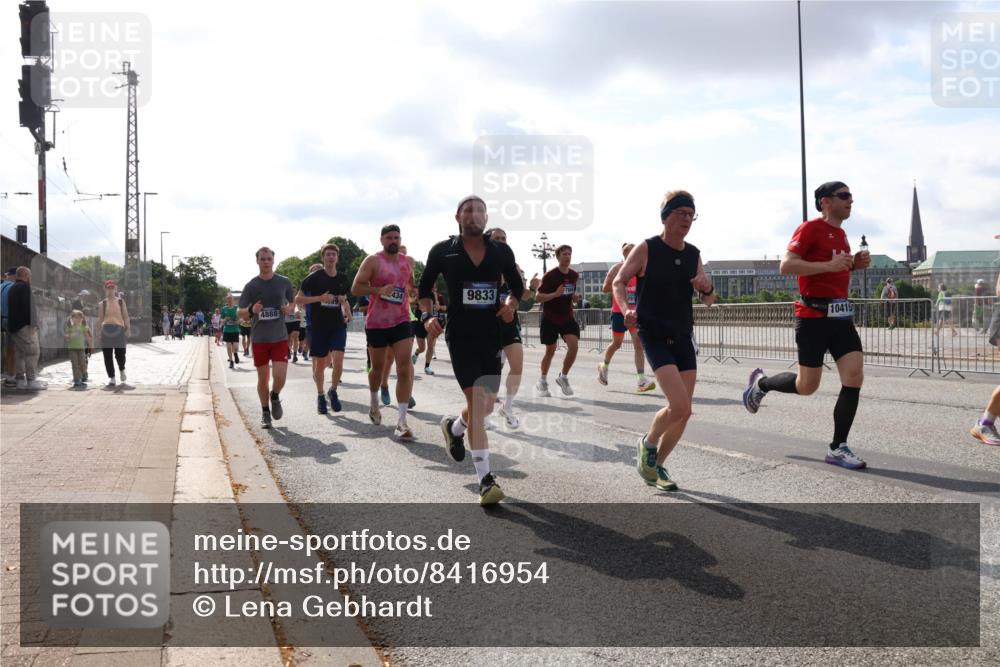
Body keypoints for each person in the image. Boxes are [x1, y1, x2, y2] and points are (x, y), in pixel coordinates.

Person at [742, 181, 871, 470]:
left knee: (854, 376)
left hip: (840, 317)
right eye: (844, 195)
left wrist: (853, 264)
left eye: (851, 196)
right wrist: (829, 266)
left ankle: (838, 447)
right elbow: (786, 265)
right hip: (812, 317)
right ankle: (761, 384)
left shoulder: (841, 234)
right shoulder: (810, 228)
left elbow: (835, 268)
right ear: (826, 201)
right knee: (806, 386)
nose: (851, 200)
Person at [420, 195, 524, 504]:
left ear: (486, 217)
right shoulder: (443, 251)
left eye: (480, 210)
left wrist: (511, 305)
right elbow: (423, 290)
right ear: (458, 217)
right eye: (468, 210)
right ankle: (485, 480)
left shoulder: (501, 251)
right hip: (461, 336)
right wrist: (427, 317)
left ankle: (454, 428)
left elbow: (517, 287)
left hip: (491, 336)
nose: (474, 214)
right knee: (478, 403)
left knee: (487, 406)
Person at [614, 190, 713, 492]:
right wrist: (626, 309)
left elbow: (708, 300)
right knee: (678, 406)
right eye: (681, 213)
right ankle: (649, 442)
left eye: (691, 215)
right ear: (666, 216)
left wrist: (707, 287)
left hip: (683, 335)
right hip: (654, 334)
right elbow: (619, 281)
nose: (687, 219)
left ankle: (656, 466)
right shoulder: (647, 248)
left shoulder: (693, 254)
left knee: (685, 412)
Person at [351, 225, 416, 438]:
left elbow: (410, 285)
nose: (393, 241)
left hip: (401, 320)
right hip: (377, 323)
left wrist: (414, 293)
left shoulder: (408, 262)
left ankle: (402, 422)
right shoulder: (373, 261)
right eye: (389, 237)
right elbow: (356, 288)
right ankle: (374, 404)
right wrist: (378, 290)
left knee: (404, 368)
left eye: (396, 237)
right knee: (377, 369)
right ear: (381, 240)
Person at [238, 247, 296, 429]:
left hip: (279, 337)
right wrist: (251, 310)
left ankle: (275, 395)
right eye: (262, 259)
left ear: (273, 260)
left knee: (280, 377)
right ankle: (265, 412)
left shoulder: (284, 282)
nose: (266, 262)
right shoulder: (251, 286)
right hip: (260, 339)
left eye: (269, 259)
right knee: (263, 379)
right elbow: (240, 313)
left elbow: (293, 302)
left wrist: (289, 308)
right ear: (257, 261)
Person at [296, 244, 351, 414]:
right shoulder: (313, 278)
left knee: (338, 361)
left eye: (334, 254)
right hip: (319, 326)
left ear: (337, 258)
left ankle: (333, 390)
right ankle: (320, 395)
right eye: (328, 254)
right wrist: (320, 298)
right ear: (323, 257)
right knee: (321, 364)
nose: (331, 257)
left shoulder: (343, 278)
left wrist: (344, 303)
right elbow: (298, 299)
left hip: (337, 325)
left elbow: (344, 298)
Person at [599, 242, 656, 392]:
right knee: (617, 343)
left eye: (634, 251)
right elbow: (605, 288)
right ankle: (604, 366)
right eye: (629, 252)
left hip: (635, 313)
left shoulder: (641, 268)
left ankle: (641, 380)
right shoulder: (617, 268)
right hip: (619, 312)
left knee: (638, 343)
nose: (632, 254)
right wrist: (619, 284)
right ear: (624, 254)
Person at [485, 226, 527, 428]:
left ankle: (507, 407)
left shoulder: (512, 266)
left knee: (517, 366)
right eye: (497, 238)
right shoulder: (481, 264)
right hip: (488, 324)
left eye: (504, 238)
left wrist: (532, 288)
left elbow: (520, 293)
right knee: (491, 371)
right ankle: (483, 413)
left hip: (509, 322)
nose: (501, 241)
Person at [535, 245, 580, 397]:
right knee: (550, 350)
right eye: (564, 254)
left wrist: (574, 298)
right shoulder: (550, 276)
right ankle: (542, 380)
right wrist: (555, 294)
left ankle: (563, 377)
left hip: (567, 317)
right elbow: (538, 297)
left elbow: (570, 294)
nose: (567, 256)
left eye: (569, 254)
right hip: (550, 317)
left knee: (574, 346)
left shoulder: (574, 275)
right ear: (558, 257)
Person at [7, 267, 46, 390]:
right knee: (32, 352)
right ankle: (31, 381)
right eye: (30, 275)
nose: (31, 277)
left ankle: (20, 381)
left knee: (20, 353)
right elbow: (28, 308)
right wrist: (34, 324)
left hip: (14, 326)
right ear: (25, 275)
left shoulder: (12, 288)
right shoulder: (24, 288)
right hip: (25, 327)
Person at [97, 279, 131, 387]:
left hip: (119, 329)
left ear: (115, 289)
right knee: (107, 355)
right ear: (105, 289)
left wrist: (128, 328)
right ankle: (112, 377)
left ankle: (121, 369)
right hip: (106, 329)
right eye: (108, 288)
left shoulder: (121, 302)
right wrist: (98, 332)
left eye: (112, 288)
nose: (110, 290)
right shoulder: (102, 304)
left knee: (121, 353)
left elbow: (126, 316)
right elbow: (100, 319)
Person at [64, 309, 93, 388]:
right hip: (72, 349)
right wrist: (70, 336)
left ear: (82, 319)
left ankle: (84, 374)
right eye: (76, 317)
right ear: (72, 318)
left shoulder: (83, 327)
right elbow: (66, 338)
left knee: (82, 363)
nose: (78, 319)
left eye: (80, 317)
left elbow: (88, 337)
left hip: (81, 349)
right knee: (75, 364)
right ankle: (77, 379)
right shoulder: (70, 328)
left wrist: (90, 347)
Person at [1, 267, 18, 386]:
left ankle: (9, 375)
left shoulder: (1, 286)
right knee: (14, 350)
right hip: (12, 320)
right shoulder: (13, 287)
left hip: (3, 320)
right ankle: (12, 377)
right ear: (14, 275)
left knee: (8, 349)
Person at [220, 294, 241, 368]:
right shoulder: (224, 309)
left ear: (233, 300)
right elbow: (221, 320)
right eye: (228, 299)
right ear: (227, 300)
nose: (229, 300)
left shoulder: (237, 308)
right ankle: (231, 361)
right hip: (227, 330)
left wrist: (237, 322)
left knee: (235, 347)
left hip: (235, 330)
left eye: (231, 299)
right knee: (228, 346)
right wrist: (225, 319)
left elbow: (241, 319)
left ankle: (235, 354)